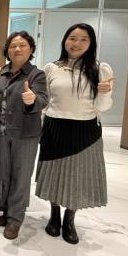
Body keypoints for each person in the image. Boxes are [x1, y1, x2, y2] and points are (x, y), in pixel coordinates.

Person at [35, 23, 114, 244]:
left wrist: (105, 93)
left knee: (78, 176)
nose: (76, 43)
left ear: (91, 43)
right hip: (55, 127)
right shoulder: (52, 68)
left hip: (85, 130)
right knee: (54, 173)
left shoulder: (101, 69)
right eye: (72, 38)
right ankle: (54, 215)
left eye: (83, 39)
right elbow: (45, 101)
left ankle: (69, 220)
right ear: (65, 41)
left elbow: (103, 106)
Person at [0, 31, 48, 240]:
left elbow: (42, 99)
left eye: (22, 45)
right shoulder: (2, 72)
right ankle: (7, 211)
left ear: (31, 49)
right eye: (13, 45)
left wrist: (32, 99)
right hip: (2, 133)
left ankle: (15, 219)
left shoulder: (36, 75)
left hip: (25, 134)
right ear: (7, 50)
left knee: (21, 177)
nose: (17, 49)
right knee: (5, 175)